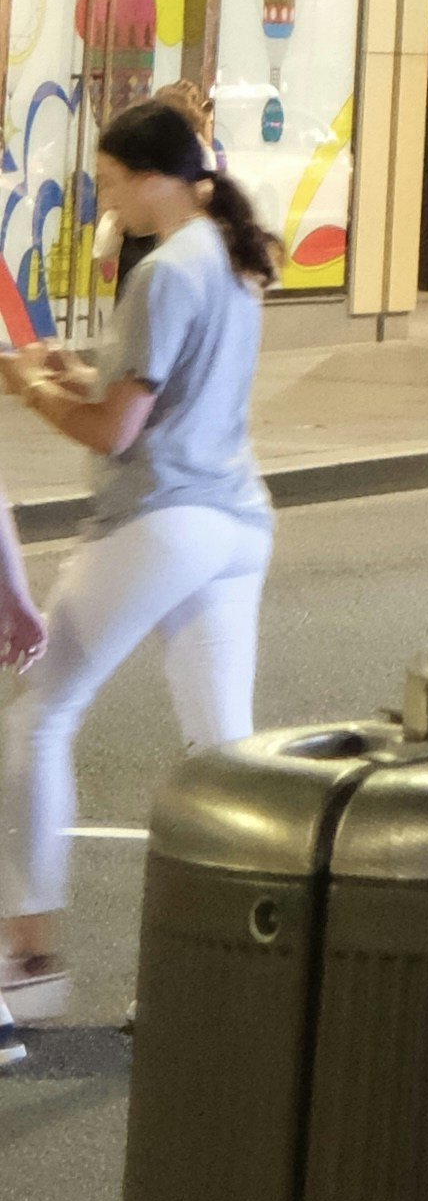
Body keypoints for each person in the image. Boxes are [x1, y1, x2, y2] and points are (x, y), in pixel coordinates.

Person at [0, 102, 280, 1034]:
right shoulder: (235, 260)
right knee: (227, 759)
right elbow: (154, 396)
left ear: (154, 172)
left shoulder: (163, 273)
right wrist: (78, 371)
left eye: (113, 178)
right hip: (238, 522)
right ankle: (222, 977)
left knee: (40, 715)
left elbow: (118, 431)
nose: (104, 194)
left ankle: (26, 955)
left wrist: (32, 386)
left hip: (163, 518)